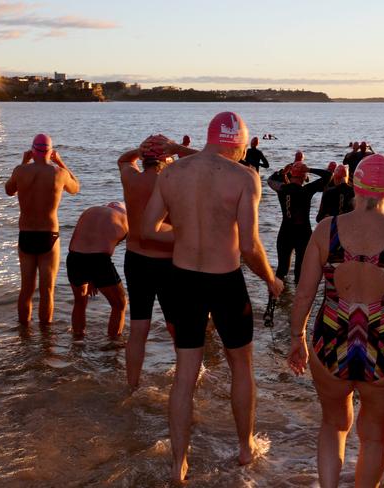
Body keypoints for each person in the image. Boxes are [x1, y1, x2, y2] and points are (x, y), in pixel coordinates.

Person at [141, 112, 283, 480]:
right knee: (241, 366)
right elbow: (250, 246)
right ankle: (244, 448)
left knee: (185, 375)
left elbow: (146, 228)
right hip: (224, 282)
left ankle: (178, 464)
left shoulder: (171, 173)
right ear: (237, 142)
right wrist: (271, 279)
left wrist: (186, 234)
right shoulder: (245, 177)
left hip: (183, 280)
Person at [288, 154, 384, 487]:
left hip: (331, 338)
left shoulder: (327, 229)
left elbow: (303, 294)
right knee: (373, 435)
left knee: (332, 424)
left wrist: (296, 337)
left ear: (355, 186)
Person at [118, 134, 197, 389]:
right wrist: (179, 148)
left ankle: (132, 386)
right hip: (167, 263)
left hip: (135, 260)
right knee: (178, 328)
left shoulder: (130, 178)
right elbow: (209, 161)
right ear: (166, 157)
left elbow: (123, 159)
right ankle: (185, 384)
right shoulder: (175, 182)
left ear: (145, 157)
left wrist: (137, 151)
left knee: (138, 329)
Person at [5, 134, 80, 326]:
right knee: (47, 290)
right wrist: (61, 161)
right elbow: (75, 188)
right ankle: (46, 339)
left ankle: (24, 333)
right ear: (50, 152)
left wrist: (23, 162)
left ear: (32, 151)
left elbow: (9, 190)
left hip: (26, 234)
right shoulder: (59, 173)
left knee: (26, 289)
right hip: (49, 236)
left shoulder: (20, 171)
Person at [66, 202, 128, 339]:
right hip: (99, 260)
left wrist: (91, 278)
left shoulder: (90, 210)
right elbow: (106, 248)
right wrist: (94, 278)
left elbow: (84, 241)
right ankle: (113, 343)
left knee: (79, 301)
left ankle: (78, 339)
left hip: (74, 257)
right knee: (120, 304)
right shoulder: (124, 218)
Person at [268, 153, 332, 284]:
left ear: (290, 176)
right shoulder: (306, 190)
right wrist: (309, 169)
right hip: (303, 233)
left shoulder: (282, 189)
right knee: (300, 271)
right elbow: (328, 176)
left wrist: (283, 171)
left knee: (281, 271)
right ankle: (298, 300)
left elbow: (270, 180)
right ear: (304, 176)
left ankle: (276, 300)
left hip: (285, 232)